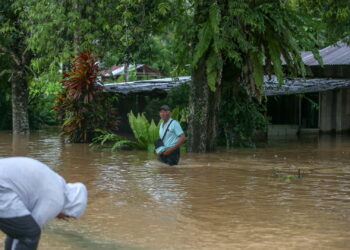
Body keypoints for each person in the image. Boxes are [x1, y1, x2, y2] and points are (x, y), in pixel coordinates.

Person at [0, 157, 88, 250]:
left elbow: (18, 227)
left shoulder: (57, 181)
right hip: (2, 187)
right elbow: (32, 226)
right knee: (29, 234)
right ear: (70, 207)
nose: (62, 219)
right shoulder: (57, 200)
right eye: (67, 217)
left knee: (22, 230)